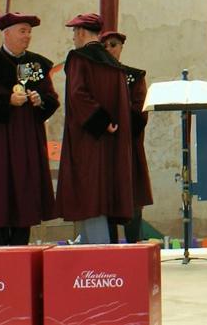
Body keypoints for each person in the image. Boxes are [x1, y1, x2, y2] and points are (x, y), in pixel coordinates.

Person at [0, 12, 59, 246]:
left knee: (25, 193)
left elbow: (52, 98)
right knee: (1, 192)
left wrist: (41, 101)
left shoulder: (37, 65)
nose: (27, 36)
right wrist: (7, 101)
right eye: (22, 31)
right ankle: (0, 254)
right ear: (6, 33)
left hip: (27, 140)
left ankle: (22, 250)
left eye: (29, 32)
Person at [57, 13, 134, 245]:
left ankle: (97, 254)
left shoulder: (79, 58)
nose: (73, 38)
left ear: (81, 33)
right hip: (112, 142)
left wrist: (100, 122)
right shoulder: (115, 65)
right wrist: (109, 124)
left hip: (88, 139)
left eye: (74, 33)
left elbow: (77, 95)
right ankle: (90, 248)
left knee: (90, 195)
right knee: (102, 194)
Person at [100, 30, 153, 244]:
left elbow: (141, 112)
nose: (109, 49)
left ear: (121, 48)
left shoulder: (135, 77)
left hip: (129, 147)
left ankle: (134, 246)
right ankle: (110, 251)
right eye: (105, 45)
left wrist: (118, 117)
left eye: (114, 45)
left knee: (132, 199)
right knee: (106, 200)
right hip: (103, 147)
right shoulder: (96, 76)